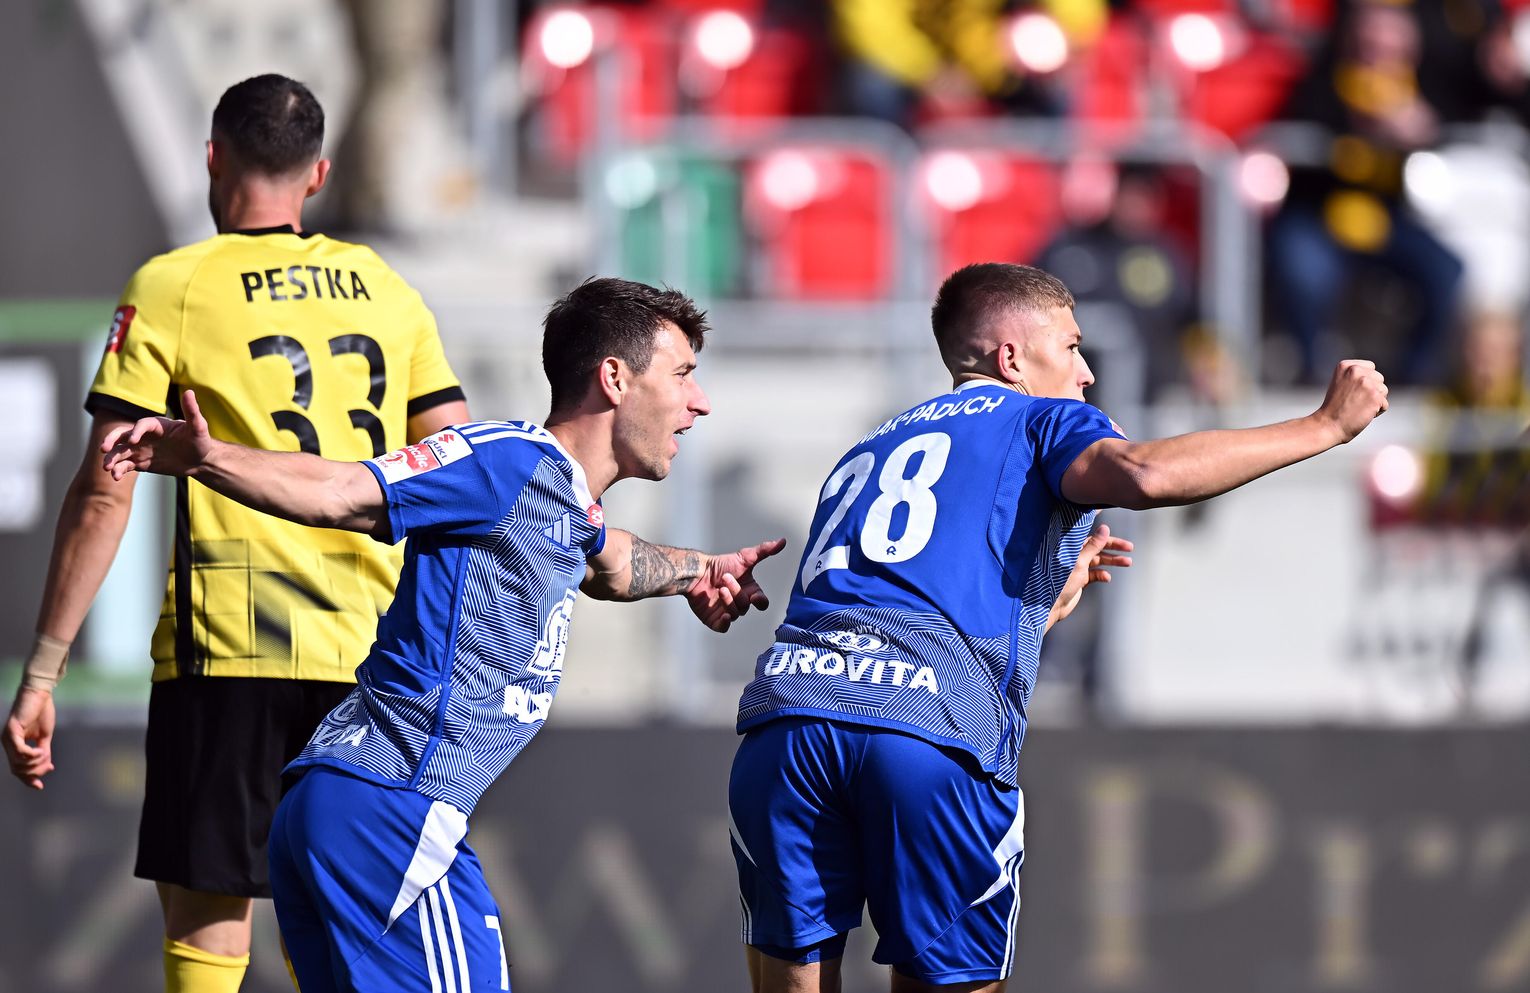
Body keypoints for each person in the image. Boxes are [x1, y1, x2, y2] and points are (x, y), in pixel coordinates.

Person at [101, 276, 786, 992]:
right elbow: (342, 492)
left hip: (356, 805)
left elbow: (612, 564)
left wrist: (699, 571)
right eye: (682, 374)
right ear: (614, 377)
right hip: (390, 802)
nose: (699, 401)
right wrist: (207, 458)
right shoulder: (504, 459)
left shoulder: (562, 501)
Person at [729, 262, 1389, 992]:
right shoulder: (1040, 417)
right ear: (1012, 359)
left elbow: (898, 593)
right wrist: (1324, 425)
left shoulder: (872, 446)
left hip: (790, 721)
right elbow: (1142, 472)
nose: (1085, 373)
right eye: (1072, 347)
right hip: (925, 730)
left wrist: (1038, 601)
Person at [2, 74, 470, 993]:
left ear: (213, 157)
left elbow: (105, 489)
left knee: (210, 925)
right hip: (369, 656)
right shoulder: (388, 291)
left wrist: (43, 673)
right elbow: (453, 466)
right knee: (339, 921)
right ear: (319, 174)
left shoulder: (175, 285)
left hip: (231, 648)